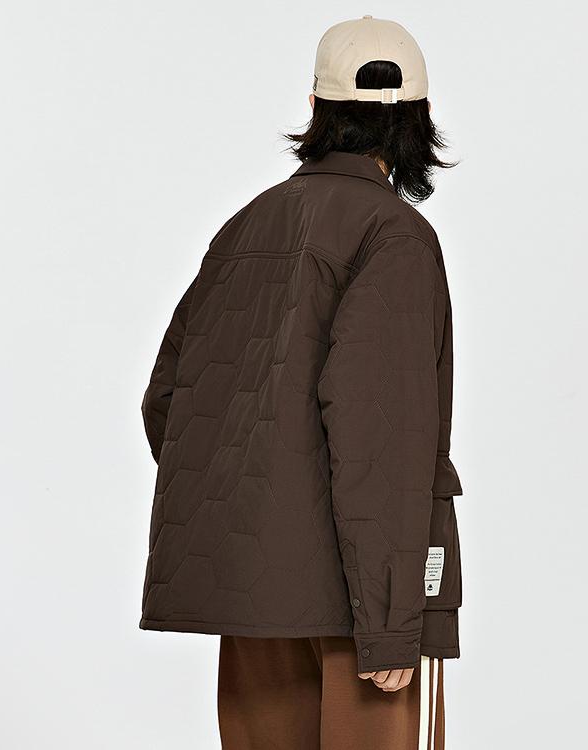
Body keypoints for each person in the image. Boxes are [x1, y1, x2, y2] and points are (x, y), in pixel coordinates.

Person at [139, 15, 464, 750]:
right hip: (358, 609)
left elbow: (168, 402)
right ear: (421, 117)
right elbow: (380, 434)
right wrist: (391, 623)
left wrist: (259, 515)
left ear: (315, 107)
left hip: (256, 603)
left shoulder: (244, 228)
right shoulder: (394, 236)